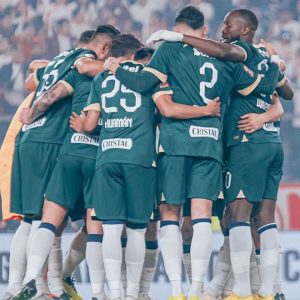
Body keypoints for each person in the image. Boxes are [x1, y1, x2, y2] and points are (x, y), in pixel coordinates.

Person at [104, 6, 281, 300]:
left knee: (170, 215)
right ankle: (200, 287)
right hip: (210, 145)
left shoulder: (169, 50)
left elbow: (143, 83)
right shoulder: (221, 56)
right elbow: (263, 88)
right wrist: (273, 62)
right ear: (203, 30)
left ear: (177, 27)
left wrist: (115, 68)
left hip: (174, 144)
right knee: (201, 218)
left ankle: (178, 291)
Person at [9, 25, 119, 300]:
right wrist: (32, 114)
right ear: (104, 50)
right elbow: (61, 86)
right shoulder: (83, 64)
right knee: (40, 219)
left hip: (32, 141)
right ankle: (26, 287)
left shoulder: (62, 59)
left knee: (41, 219)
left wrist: (29, 116)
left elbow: (32, 78)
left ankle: (51, 286)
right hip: (56, 142)